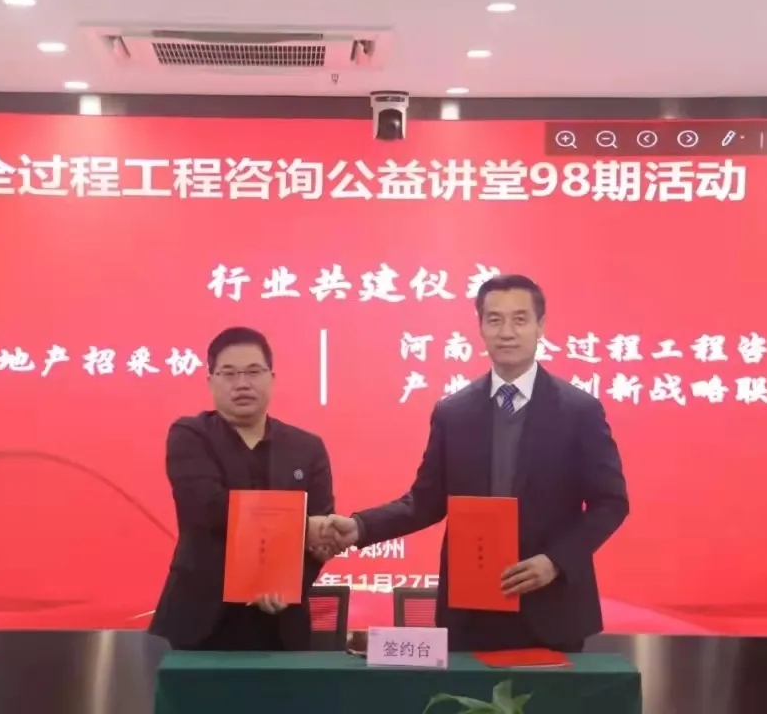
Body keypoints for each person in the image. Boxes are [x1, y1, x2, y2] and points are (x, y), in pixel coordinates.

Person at [324, 275, 629, 652]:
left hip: (552, 608)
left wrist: (555, 561)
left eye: (520, 319)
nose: (507, 332)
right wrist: (360, 526)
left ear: (540, 326)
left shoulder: (579, 410)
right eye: (494, 320)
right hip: (470, 612)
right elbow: (425, 502)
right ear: (481, 327)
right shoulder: (453, 412)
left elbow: (610, 503)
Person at [149, 326, 336, 651]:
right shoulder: (190, 435)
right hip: (199, 621)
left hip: (281, 623)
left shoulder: (307, 448)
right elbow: (208, 509)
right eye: (229, 373)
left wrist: (285, 585)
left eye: (253, 372)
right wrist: (301, 526)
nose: (242, 384)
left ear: (271, 378)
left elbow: (320, 533)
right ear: (211, 381)